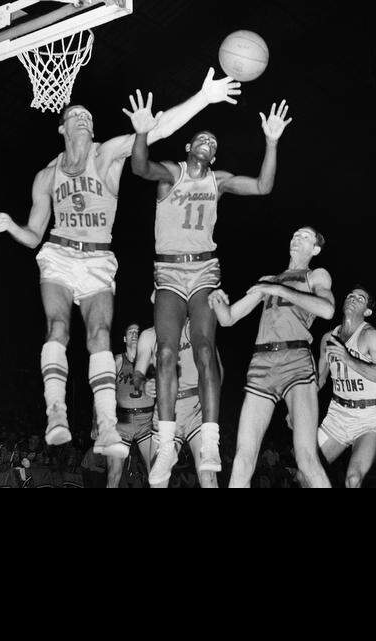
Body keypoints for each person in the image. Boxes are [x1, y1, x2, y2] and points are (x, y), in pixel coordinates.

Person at [0, 70, 242, 459]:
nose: (84, 119)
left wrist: (204, 96)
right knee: (57, 326)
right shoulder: (46, 175)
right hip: (58, 253)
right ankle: (56, 411)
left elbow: (156, 130)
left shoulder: (105, 154)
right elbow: (35, 234)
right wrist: (10, 226)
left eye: (88, 116)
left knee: (101, 335)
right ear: (62, 128)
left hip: (98, 258)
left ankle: (106, 425)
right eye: (76, 115)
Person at [127, 96, 293, 492]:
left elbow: (264, 186)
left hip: (203, 268)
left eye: (214, 142)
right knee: (165, 352)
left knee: (204, 350)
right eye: (202, 138)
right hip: (168, 269)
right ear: (187, 148)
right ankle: (166, 443)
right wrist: (142, 132)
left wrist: (271, 141)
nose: (209, 143)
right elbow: (138, 166)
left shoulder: (218, 181)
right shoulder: (171, 173)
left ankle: (211, 440)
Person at [209, 226, 335, 487]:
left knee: (306, 458)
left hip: (296, 360)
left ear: (316, 249)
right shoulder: (268, 279)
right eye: (294, 235)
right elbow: (229, 318)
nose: (296, 239)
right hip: (261, 364)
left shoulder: (316, 275)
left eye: (304, 237)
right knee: (244, 455)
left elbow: (327, 310)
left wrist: (281, 291)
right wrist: (215, 297)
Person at [131, 312, 224, 488]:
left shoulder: (195, 327)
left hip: (196, 409)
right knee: (158, 481)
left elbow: (217, 369)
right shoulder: (150, 335)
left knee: (208, 476)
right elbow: (137, 374)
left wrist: (210, 401)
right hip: (167, 413)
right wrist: (143, 385)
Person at [314, 286, 376, 488]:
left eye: (361, 298)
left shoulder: (370, 336)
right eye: (350, 295)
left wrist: (349, 359)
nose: (353, 298)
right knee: (305, 474)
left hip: (369, 416)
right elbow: (319, 380)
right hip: (338, 415)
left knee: (353, 479)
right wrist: (299, 406)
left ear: (367, 311)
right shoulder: (327, 339)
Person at [107, 323, 155, 488]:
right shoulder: (118, 360)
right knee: (114, 475)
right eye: (131, 331)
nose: (135, 334)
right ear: (125, 338)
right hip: (123, 423)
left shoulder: (152, 360)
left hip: (146, 423)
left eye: (137, 332)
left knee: (156, 473)